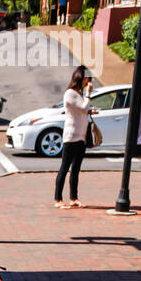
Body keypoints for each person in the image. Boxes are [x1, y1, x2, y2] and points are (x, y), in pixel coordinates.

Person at [55, 67, 99, 208]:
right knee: (65, 168)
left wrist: (91, 110)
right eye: (88, 79)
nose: (89, 82)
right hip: (71, 136)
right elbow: (82, 108)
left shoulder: (79, 94)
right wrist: (88, 94)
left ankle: (74, 197)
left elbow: (83, 110)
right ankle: (58, 199)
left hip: (81, 136)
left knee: (76, 169)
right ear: (81, 78)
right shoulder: (70, 93)